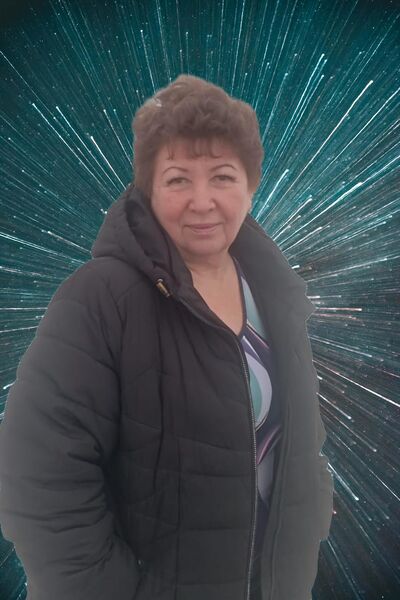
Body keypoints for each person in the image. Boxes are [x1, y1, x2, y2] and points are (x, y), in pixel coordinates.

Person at [0, 74, 334, 600]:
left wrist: (308, 529)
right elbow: (38, 478)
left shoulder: (275, 292)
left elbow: (302, 441)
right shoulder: (100, 299)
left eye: (222, 176)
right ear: (148, 191)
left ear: (250, 187)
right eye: (178, 180)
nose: (202, 201)